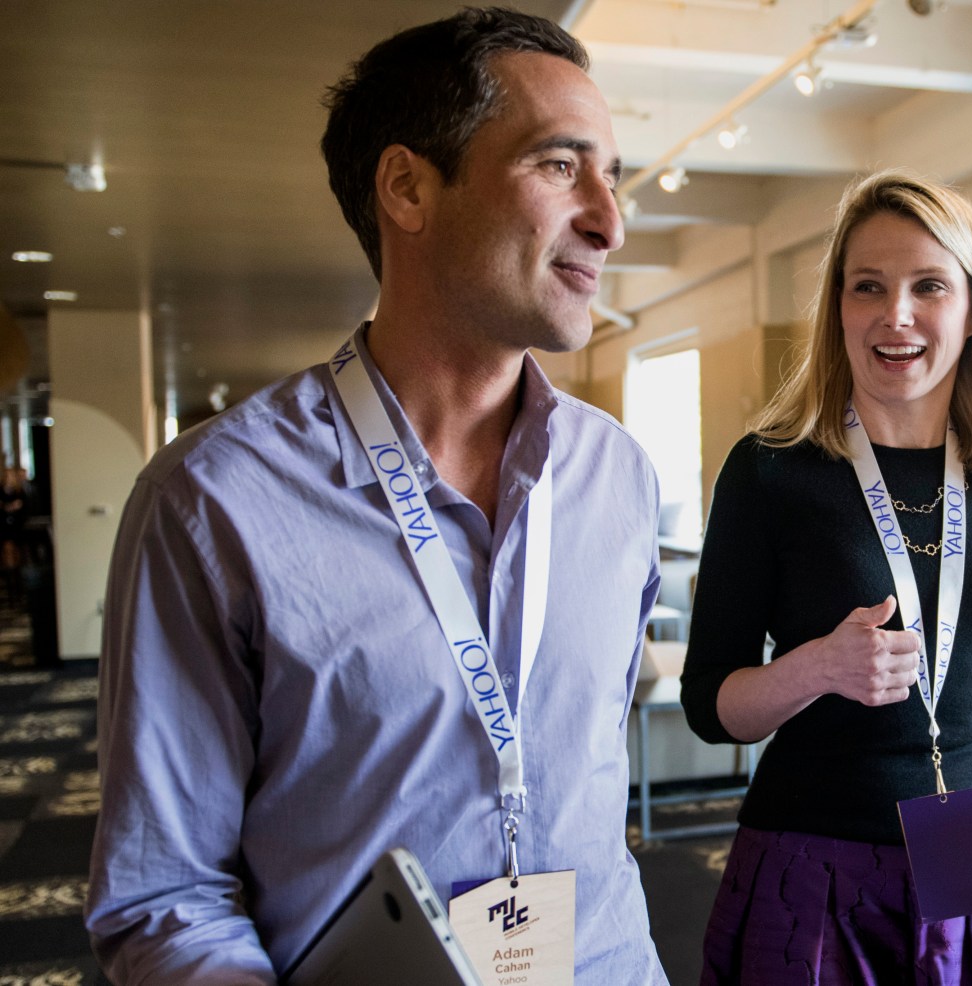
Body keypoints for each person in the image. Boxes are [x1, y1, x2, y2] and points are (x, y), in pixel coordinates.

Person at [85, 8, 668, 984]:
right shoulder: (213, 503)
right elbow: (163, 893)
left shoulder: (620, 478)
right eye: (561, 166)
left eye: (613, 175)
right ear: (408, 185)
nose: (610, 219)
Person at [680, 170, 972, 984]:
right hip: (815, 867)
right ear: (837, 308)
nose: (896, 315)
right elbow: (710, 706)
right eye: (867, 288)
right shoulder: (770, 472)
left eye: (929, 286)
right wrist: (815, 667)